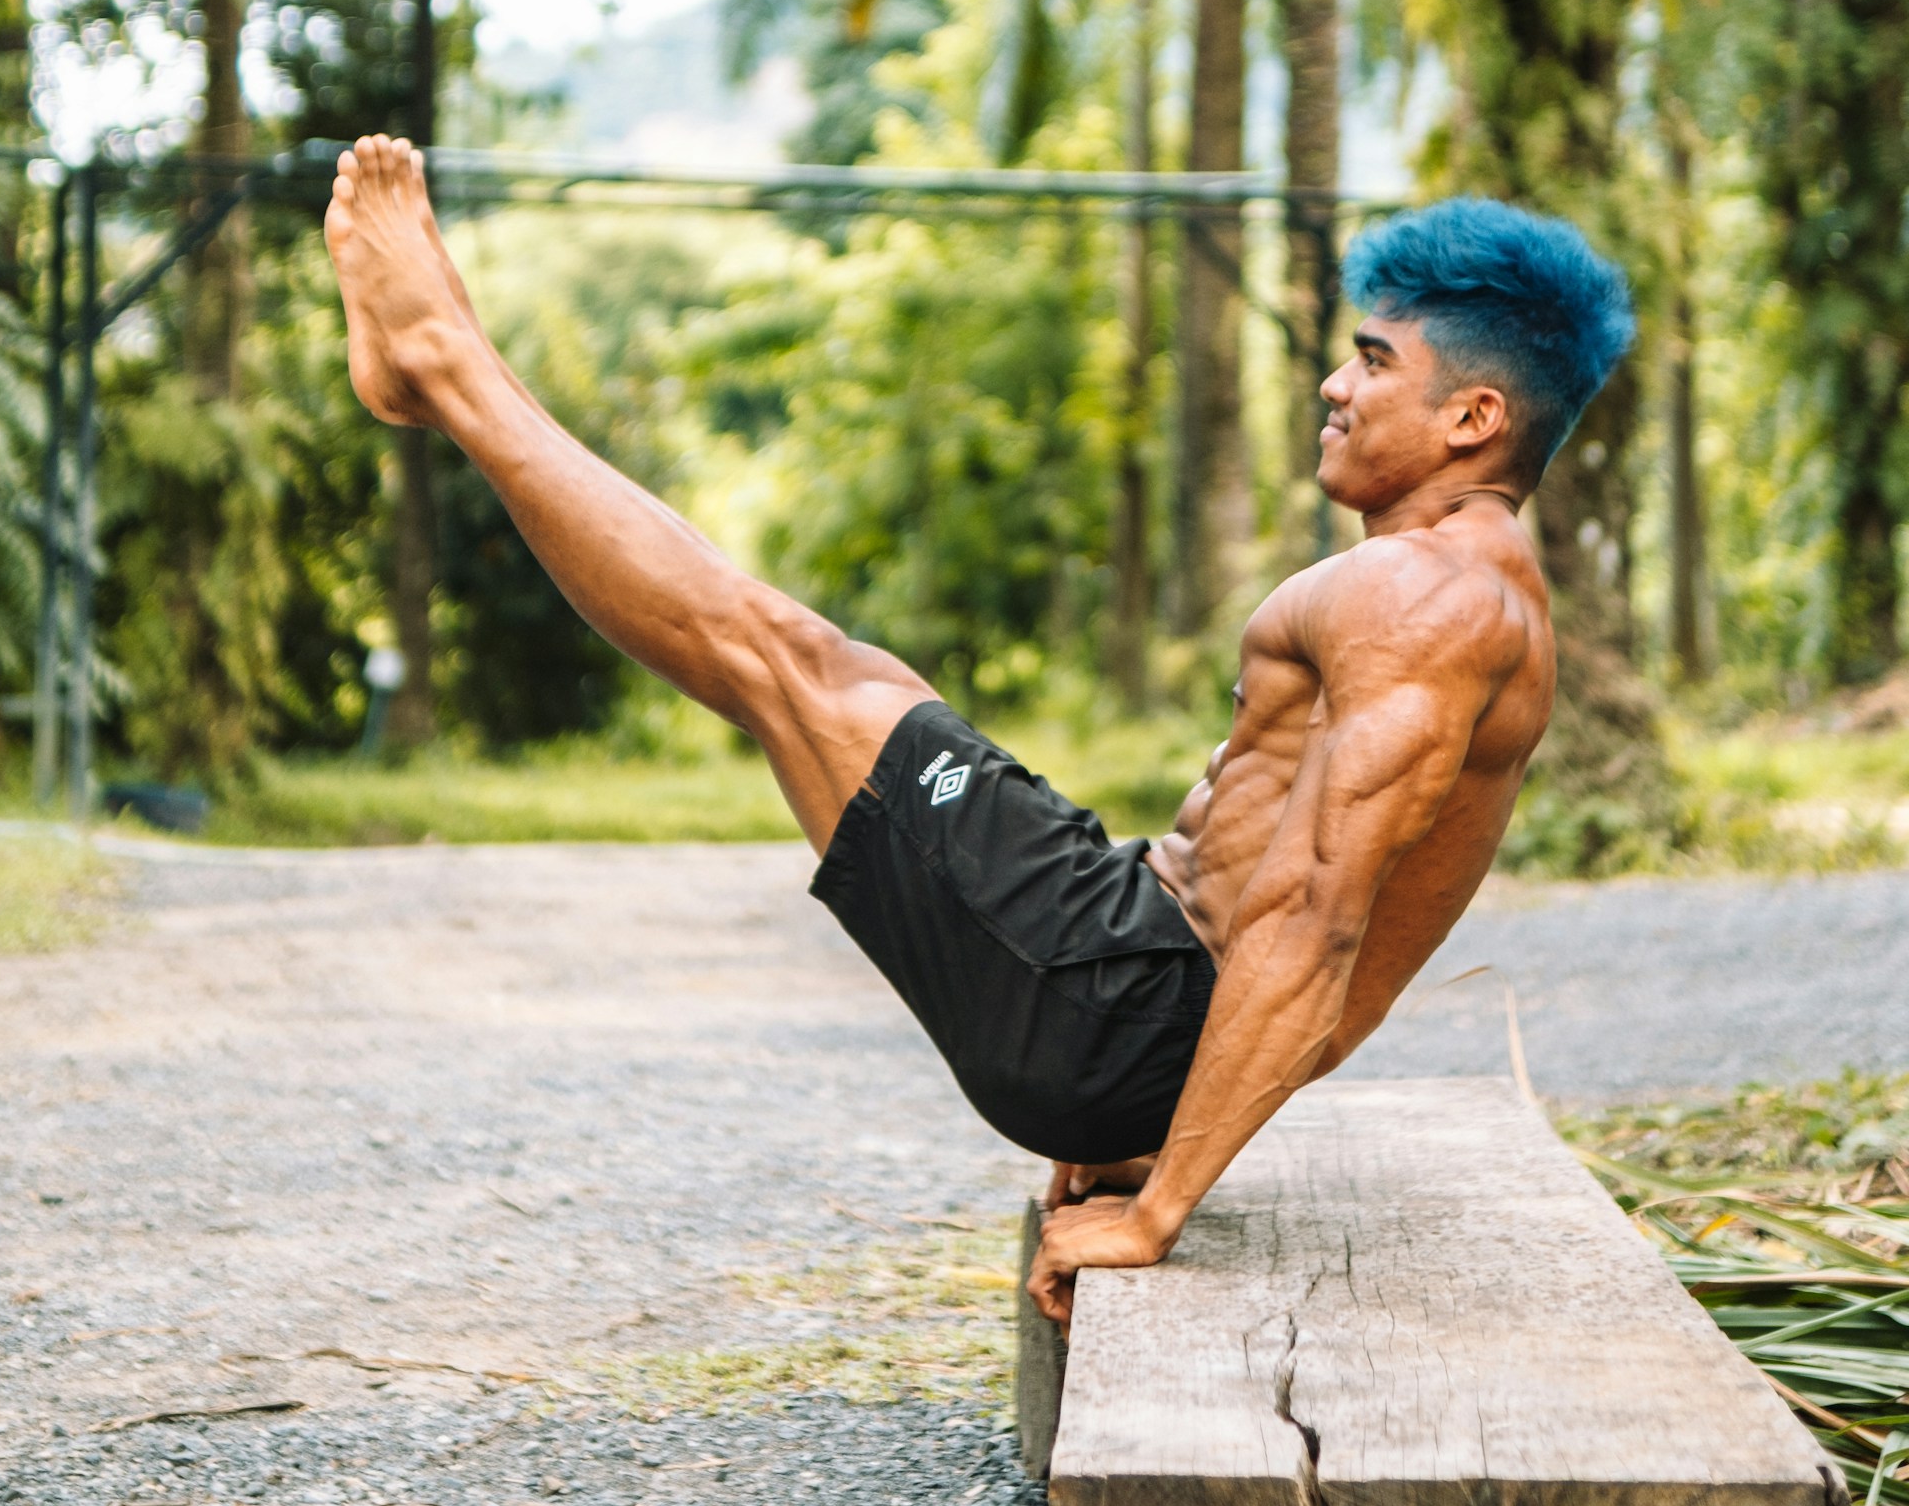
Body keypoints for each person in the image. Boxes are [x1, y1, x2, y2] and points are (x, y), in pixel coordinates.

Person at [324, 141, 1632, 1332]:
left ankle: (443, 365)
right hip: (1138, 1006)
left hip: (1122, 1004)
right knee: (828, 672)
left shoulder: (1430, 601)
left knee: (778, 658)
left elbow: (1317, 920)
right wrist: (1159, 1129)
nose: (1337, 386)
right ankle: (442, 373)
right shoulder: (1472, 588)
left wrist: (1160, 1203)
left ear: (1473, 420)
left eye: (1375, 360)